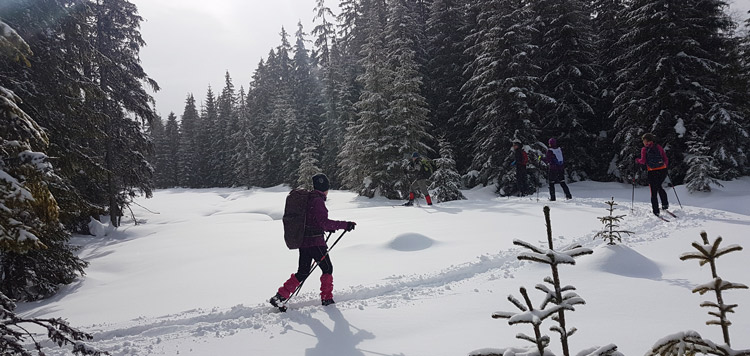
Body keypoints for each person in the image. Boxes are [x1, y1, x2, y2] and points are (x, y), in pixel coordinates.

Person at [270, 173, 356, 307]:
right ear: (324, 188)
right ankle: (327, 299)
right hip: (315, 243)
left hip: (303, 242)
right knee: (327, 269)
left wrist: (326, 228)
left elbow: (314, 221)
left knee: (303, 271)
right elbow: (324, 223)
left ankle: (280, 297)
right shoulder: (318, 200)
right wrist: (346, 225)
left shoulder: (309, 198)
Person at [635, 133, 669, 217]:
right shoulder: (658, 147)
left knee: (653, 191)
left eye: (643, 140)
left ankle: (656, 210)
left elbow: (643, 161)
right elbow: (665, 158)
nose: (643, 142)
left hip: (652, 171)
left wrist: (637, 160)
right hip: (662, 170)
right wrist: (664, 166)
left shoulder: (644, 149)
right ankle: (665, 204)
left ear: (646, 141)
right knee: (659, 187)